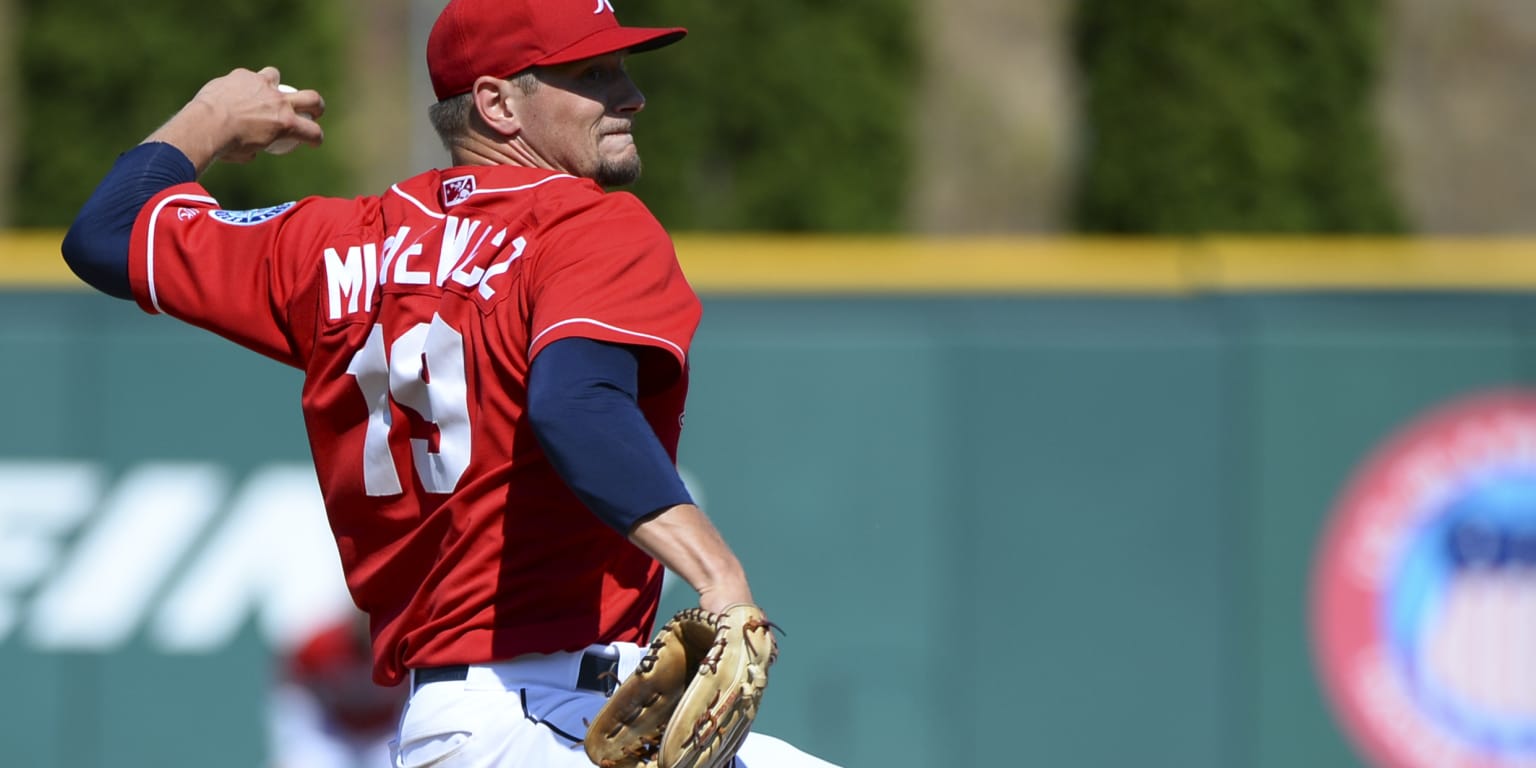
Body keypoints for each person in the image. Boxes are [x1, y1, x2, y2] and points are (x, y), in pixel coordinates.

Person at [61, 0, 839, 766]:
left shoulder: (328, 243)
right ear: (499, 102)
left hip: (467, 722)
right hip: (537, 717)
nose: (630, 94)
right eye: (593, 73)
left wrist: (207, 115)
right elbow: (575, 403)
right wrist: (718, 574)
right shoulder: (587, 227)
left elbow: (105, 234)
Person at [269, 612, 407, 768]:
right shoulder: (325, 646)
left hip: (384, 734)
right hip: (335, 733)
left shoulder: (401, 646)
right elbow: (291, 677)